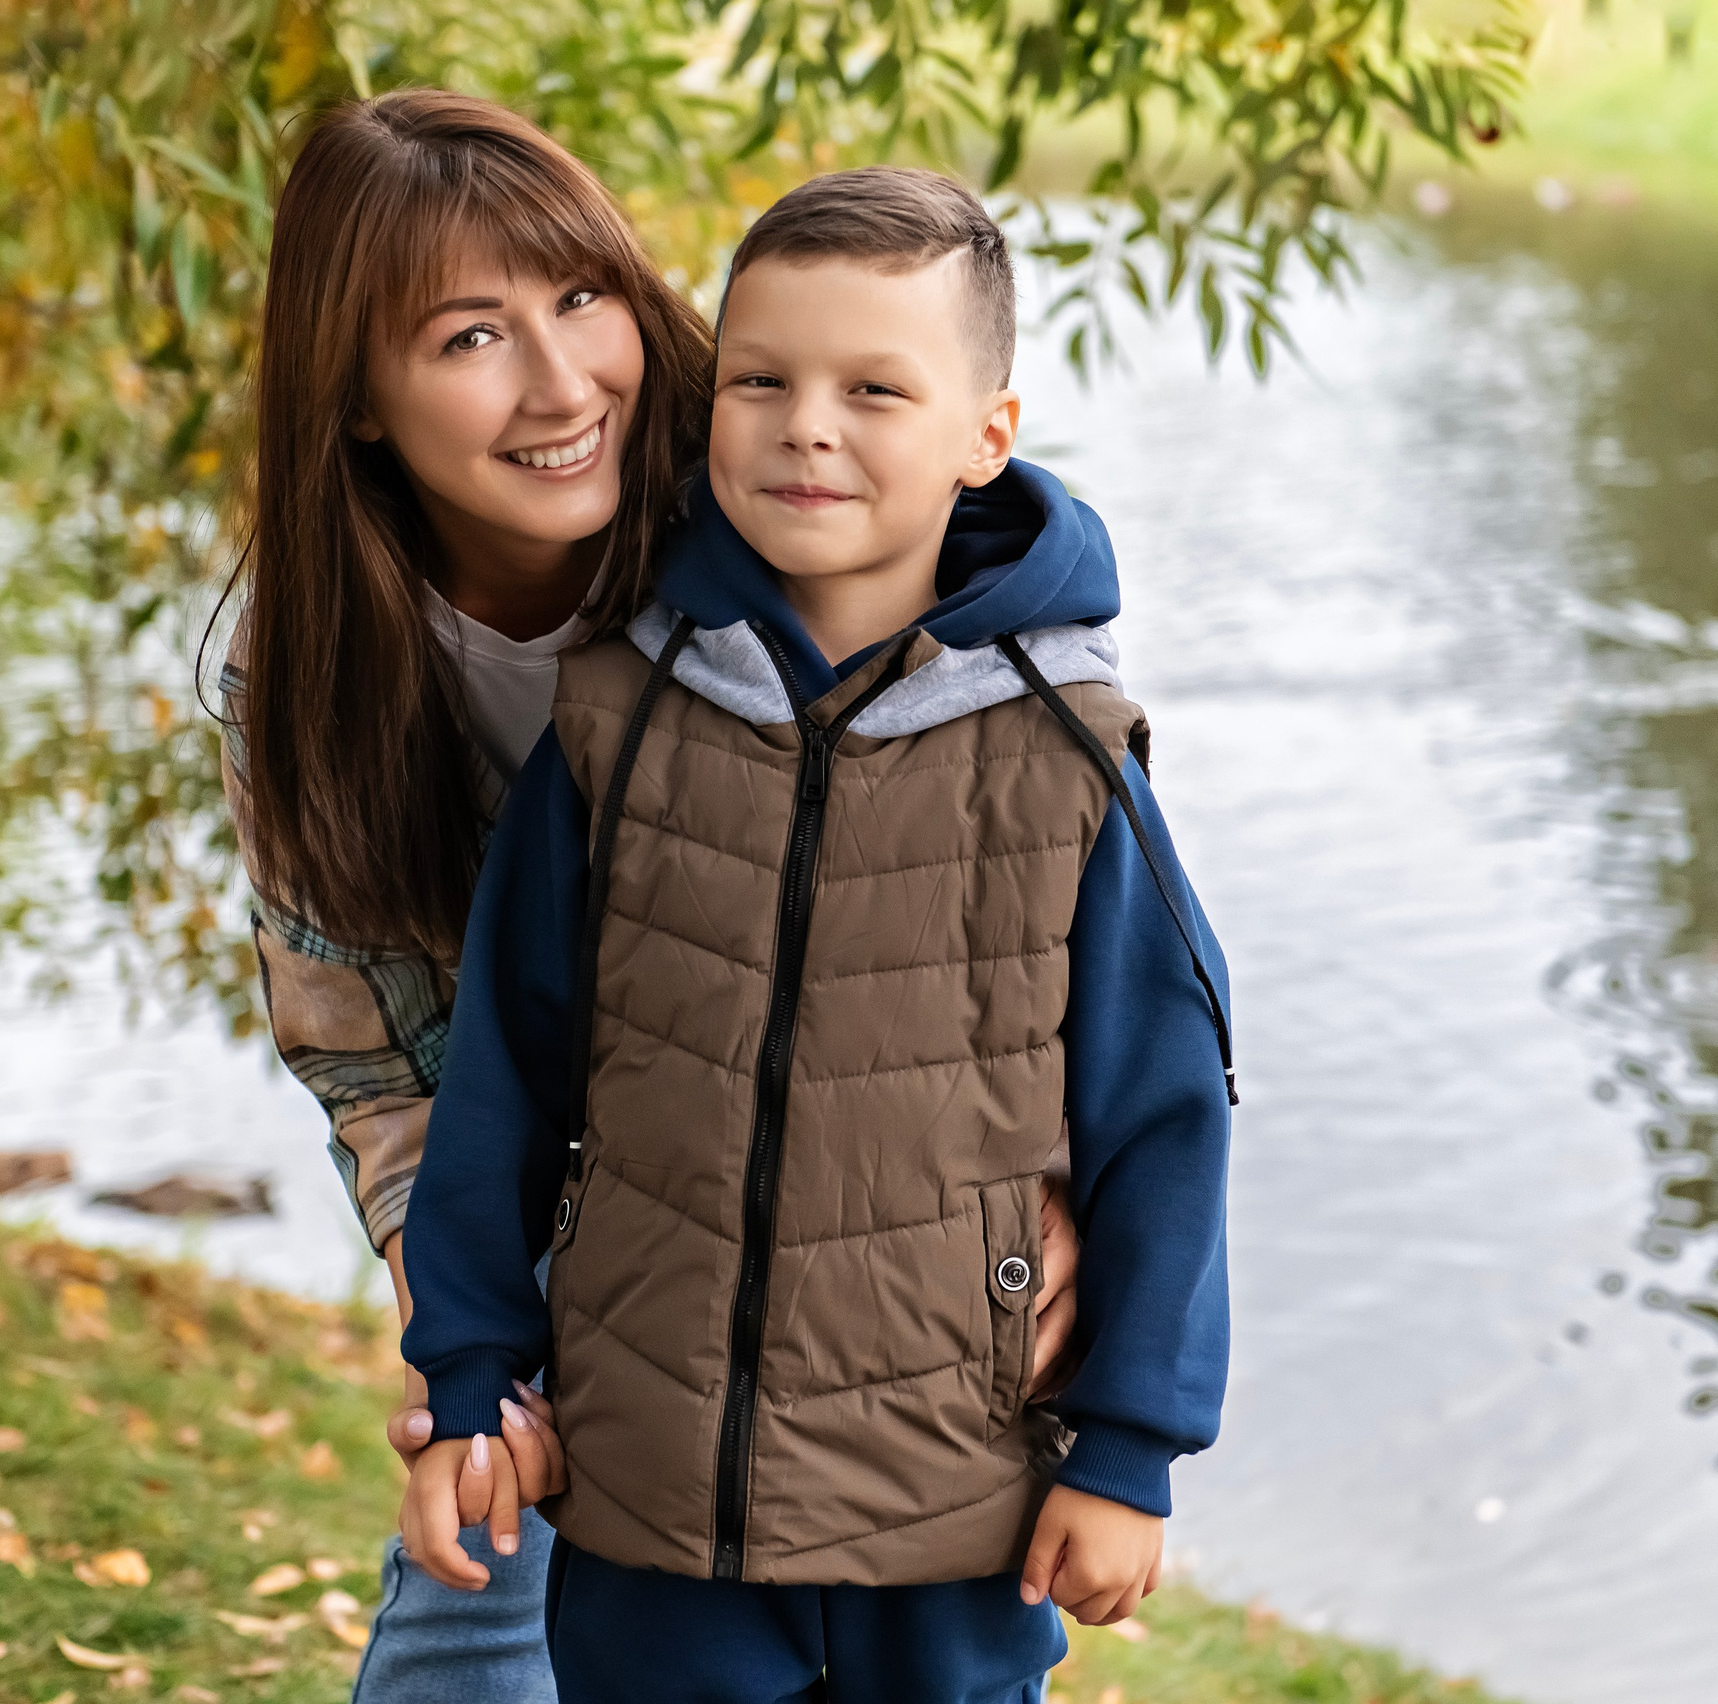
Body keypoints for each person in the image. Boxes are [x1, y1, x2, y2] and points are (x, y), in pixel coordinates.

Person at [216, 96, 1087, 1701]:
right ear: (354, 396)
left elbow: (1022, 846)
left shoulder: (766, 508)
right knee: (469, 1629)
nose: (562, 387)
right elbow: (371, 1057)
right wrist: (472, 1356)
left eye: (581, 298)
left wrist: (1050, 1204)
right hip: (551, 1223)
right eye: (471, 336)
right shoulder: (308, 671)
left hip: (842, 1248)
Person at [397, 167, 1234, 1703]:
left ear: (987, 436)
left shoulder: (1067, 755)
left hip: (954, 1517)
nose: (808, 427)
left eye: (875, 389)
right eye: (763, 379)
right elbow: (504, 1077)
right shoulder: (619, 719)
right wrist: (467, 1375)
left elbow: (1166, 1119)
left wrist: (1131, 1448)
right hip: (655, 1510)